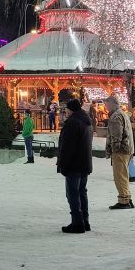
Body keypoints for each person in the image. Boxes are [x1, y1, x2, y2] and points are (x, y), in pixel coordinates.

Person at [56, 99, 93, 234]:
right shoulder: (86, 121)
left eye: (66, 109)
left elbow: (67, 147)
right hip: (84, 163)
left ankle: (77, 223)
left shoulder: (72, 123)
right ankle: (85, 220)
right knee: (82, 192)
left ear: (70, 109)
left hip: (74, 164)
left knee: (73, 194)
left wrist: (63, 165)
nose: (65, 111)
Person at [105, 95, 135, 209]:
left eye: (107, 105)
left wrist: (114, 150)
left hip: (120, 151)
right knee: (124, 175)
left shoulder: (115, 117)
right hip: (127, 149)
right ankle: (127, 197)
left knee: (119, 175)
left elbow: (116, 135)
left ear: (112, 104)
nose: (106, 107)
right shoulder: (122, 113)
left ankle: (124, 200)